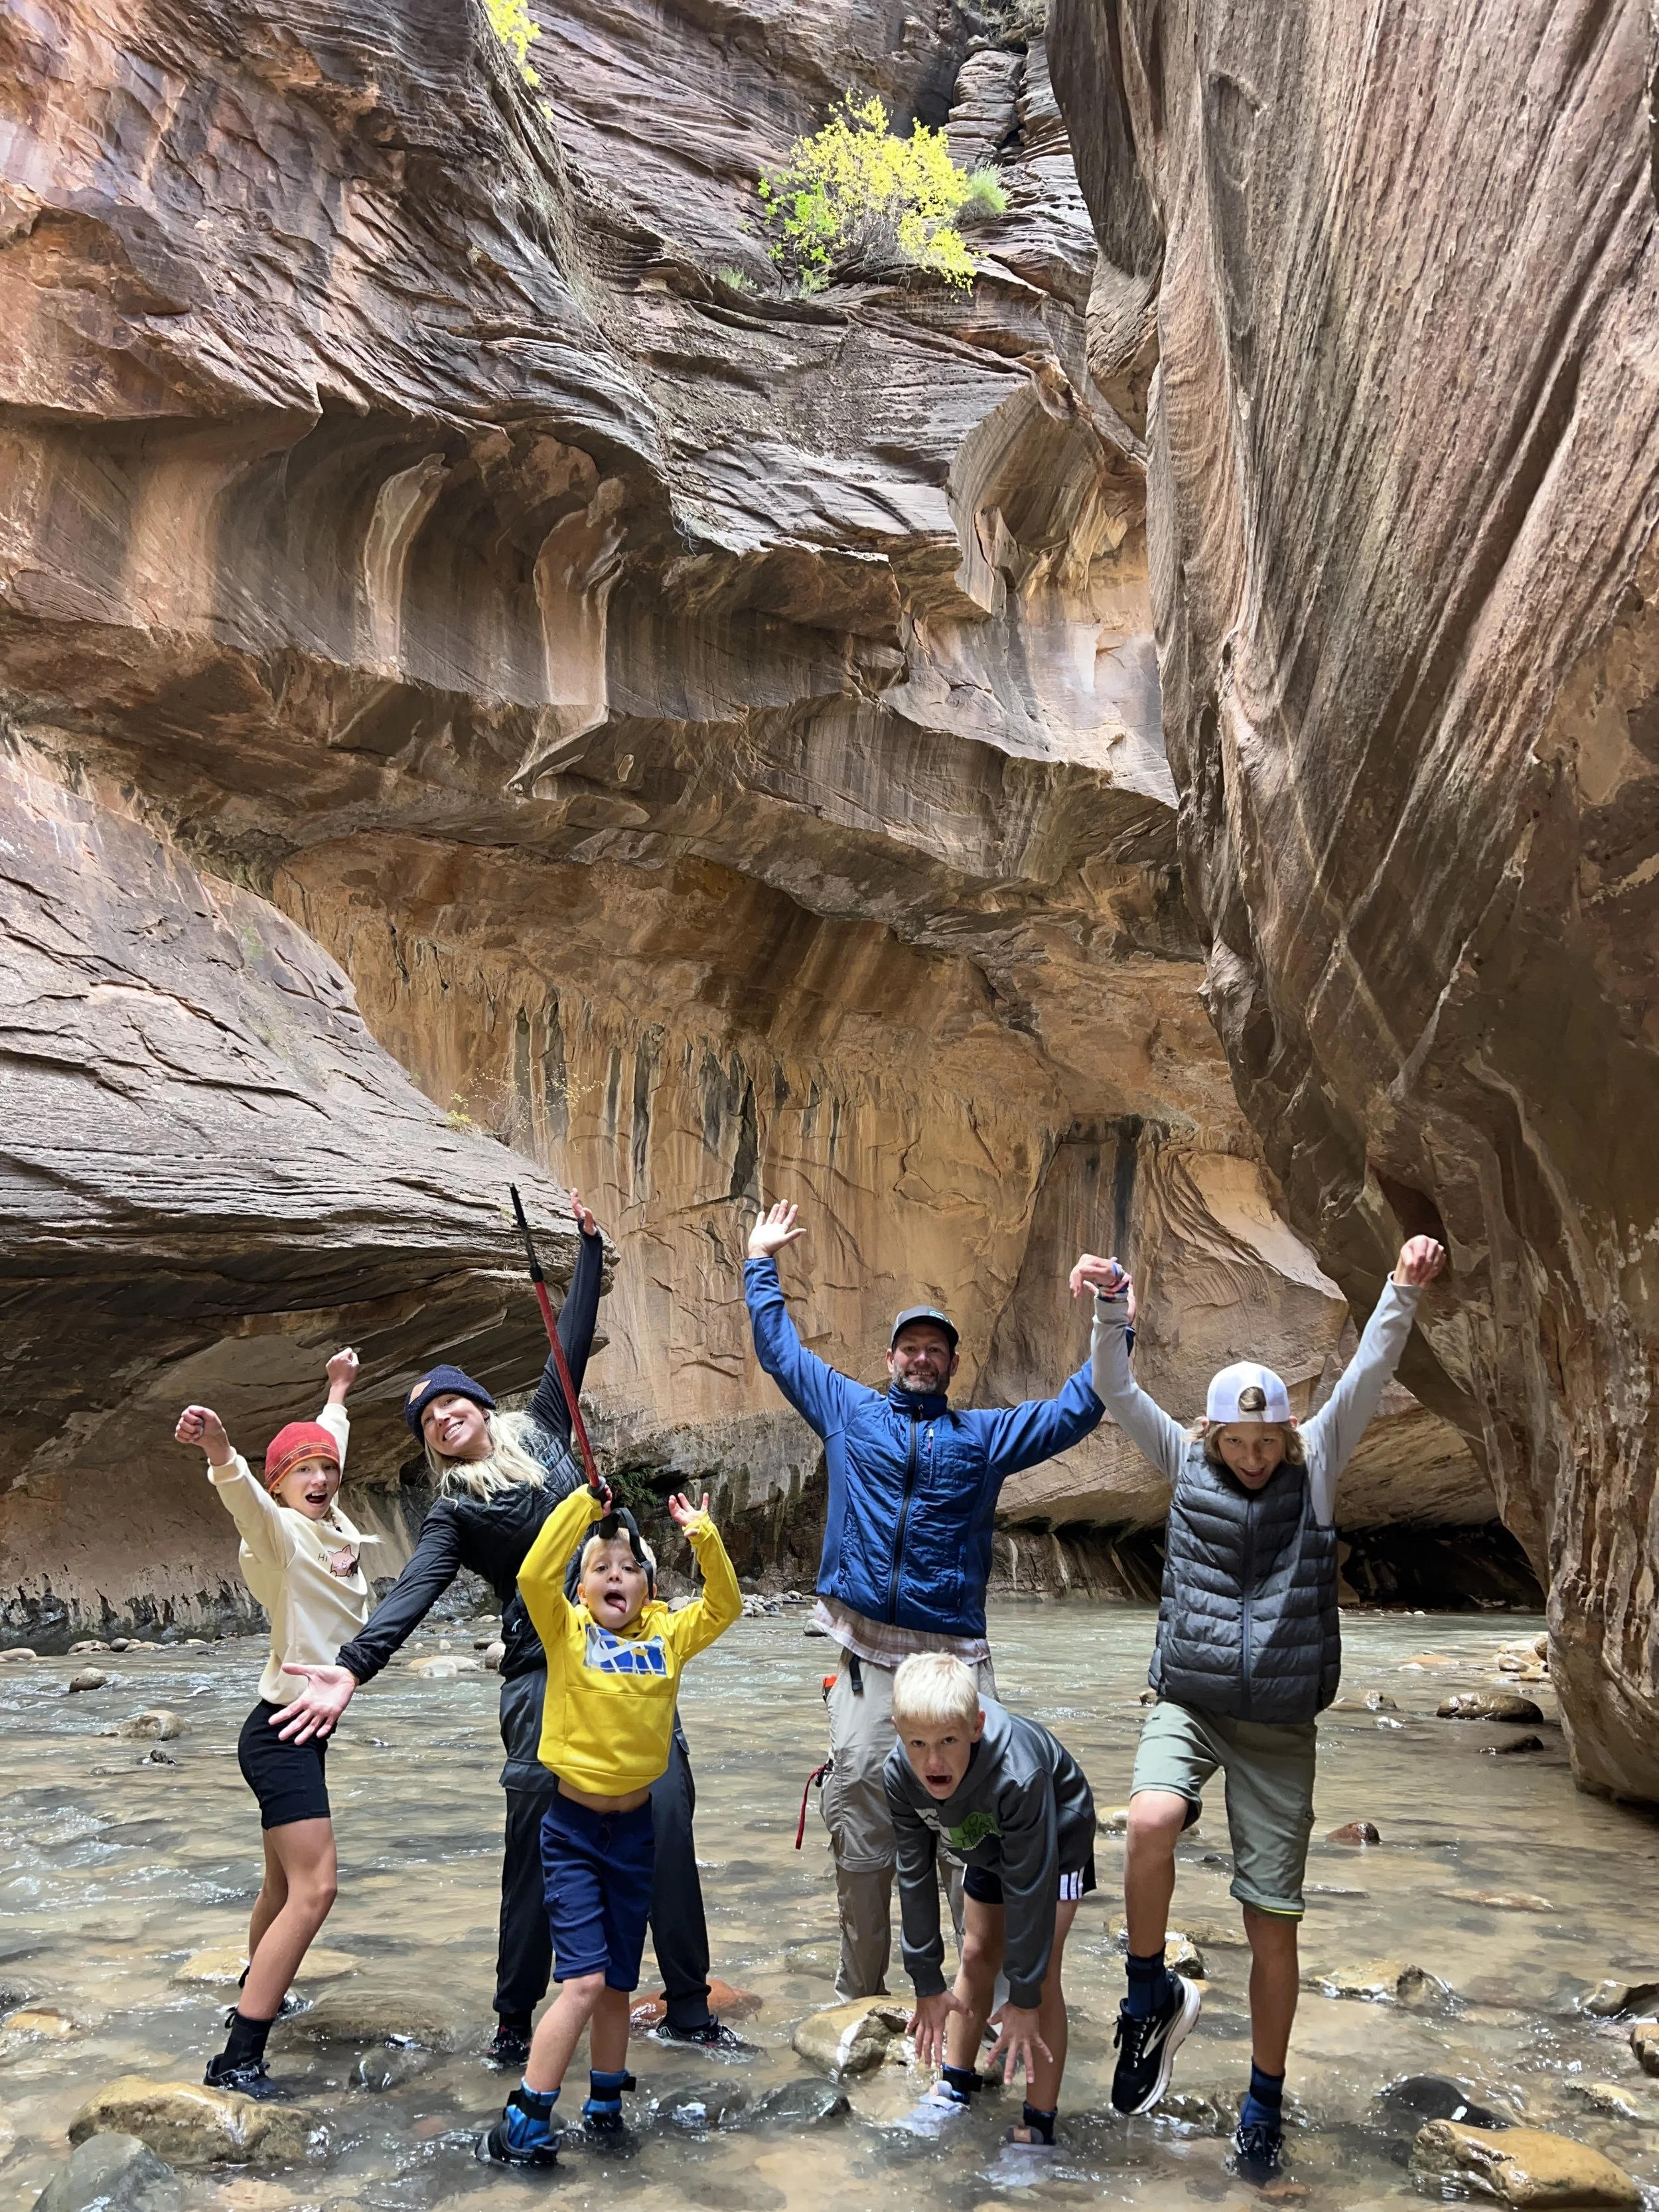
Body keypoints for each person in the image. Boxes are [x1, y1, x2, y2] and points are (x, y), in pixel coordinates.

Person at [270, 1197, 742, 2064]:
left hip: (631, 1660)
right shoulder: (457, 1513)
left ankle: (687, 2007)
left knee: (667, 1822)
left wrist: (590, 1248)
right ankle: (514, 2019)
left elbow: (570, 1332)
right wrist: (354, 1665)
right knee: (533, 1849)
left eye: (452, 1402)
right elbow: (413, 1588)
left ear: (482, 1408)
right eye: (427, 1419)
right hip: (540, 1681)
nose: (442, 1416)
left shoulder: (550, 1428)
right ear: (434, 1445)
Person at [1073, 1233, 1450, 2179]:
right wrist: (1111, 1308)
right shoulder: (1183, 1457)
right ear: (1210, 1434)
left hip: (1280, 1723)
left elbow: (1366, 1372)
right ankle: (1145, 1993)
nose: (1250, 1455)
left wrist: (1400, 1288)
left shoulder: (1315, 1465)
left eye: (1264, 1440)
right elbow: (1117, 1389)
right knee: (1150, 1820)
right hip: (1191, 1698)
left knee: (1271, 1922)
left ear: (1288, 1436)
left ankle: (1264, 2101)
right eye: (1235, 1440)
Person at [745, 1198, 1104, 2001]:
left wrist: (1113, 1318)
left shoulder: (982, 1438)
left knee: (975, 1826)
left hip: (955, 1661)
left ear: (950, 1366)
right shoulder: (847, 1409)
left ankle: (977, 2002)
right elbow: (778, 1351)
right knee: (866, 1823)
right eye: (909, 1347)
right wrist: (760, 1263)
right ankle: (861, 2002)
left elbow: (1080, 1407)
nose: (921, 1358)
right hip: (868, 1654)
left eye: (935, 1350)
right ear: (888, 1356)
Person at [484, 1476, 741, 2166]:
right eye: (601, 1568)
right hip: (570, 1832)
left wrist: (703, 1538)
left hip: (633, 1834)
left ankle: (604, 2105)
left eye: (630, 1567)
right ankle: (526, 2116)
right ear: (581, 1591)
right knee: (586, 1980)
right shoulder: (565, 1631)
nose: (616, 1575)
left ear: (650, 1590)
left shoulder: (669, 1636)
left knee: (620, 1982)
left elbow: (727, 1604)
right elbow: (535, 1573)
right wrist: (582, 1510)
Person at [173, 1347, 367, 2097]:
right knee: (317, 1890)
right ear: (281, 1484)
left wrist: (338, 1389)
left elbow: (327, 1436)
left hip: (295, 1731)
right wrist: (223, 1449)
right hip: (283, 1731)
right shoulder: (279, 1537)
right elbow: (245, 1499)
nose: (319, 1479)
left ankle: (263, 1991)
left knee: (282, 1889)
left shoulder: (334, 1520)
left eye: (326, 1471)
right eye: (302, 1473)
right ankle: (239, 2057)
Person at [885, 1653, 1096, 2151]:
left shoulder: (1018, 1774)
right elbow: (913, 1874)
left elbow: (1029, 1888)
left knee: (1041, 1978)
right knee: (977, 1953)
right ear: (897, 1732)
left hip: (1055, 1838)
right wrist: (926, 1979)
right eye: (917, 1743)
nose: (932, 1761)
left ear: (976, 1726)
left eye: (948, 1743)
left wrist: (1022, 1999)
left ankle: (1037, 2126)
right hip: (984, 1835)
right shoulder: (899, 1773)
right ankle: (953, 2089)